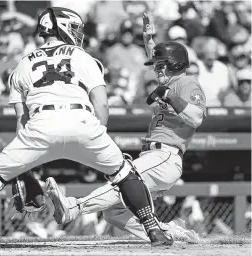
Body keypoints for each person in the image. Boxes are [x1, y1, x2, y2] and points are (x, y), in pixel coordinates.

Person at [0, 7, 172, 250]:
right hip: (83, 120)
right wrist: (96, 137)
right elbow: (102, 104)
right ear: (62, 27)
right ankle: (154, 229)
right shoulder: (83, 56)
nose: (78, 33)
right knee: (124, 173)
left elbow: (21, 120)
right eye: (74, 28)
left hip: (41, 123)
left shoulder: (23, 63)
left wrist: (23, 169)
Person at [46, 12, 206, 243]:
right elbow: (155, 54)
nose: (157, 69)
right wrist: (148, 37)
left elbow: (197, 117)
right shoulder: (169, 81)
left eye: (162, 65)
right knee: (114, 213)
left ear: (175, 64)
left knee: (123, 180)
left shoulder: (186, 82)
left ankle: (73, 207)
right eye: (156, 65)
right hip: (154, 156)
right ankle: (168, 232)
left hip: (166, 156)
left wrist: (171, 96)